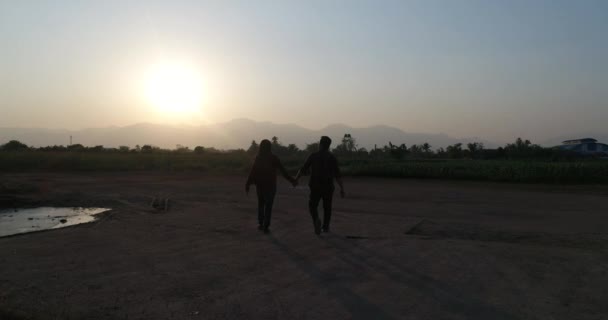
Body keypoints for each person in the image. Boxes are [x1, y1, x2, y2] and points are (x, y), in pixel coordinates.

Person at [295, 136, 345, 235]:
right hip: (328, 186)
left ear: (320, 144)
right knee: (327, 207)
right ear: (328, 146)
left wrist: (296, 179)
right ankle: (325, 227)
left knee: (312, 205)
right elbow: (337, 175)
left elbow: (303, 169)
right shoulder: (332, 157)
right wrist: (342, 188)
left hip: (315, 186)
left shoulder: (313, 156)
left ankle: (316, 219)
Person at [246, 139, 297, 234]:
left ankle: (261, 224)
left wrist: (248, 183)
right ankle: (266, 226)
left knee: (261, 204)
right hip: (270, 185)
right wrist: (292, 180)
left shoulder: (258, 158)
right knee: (268, 205)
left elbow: (253, 171)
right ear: (270, 147)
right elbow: (283, 171)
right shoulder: (274, 158)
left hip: (260, 185)